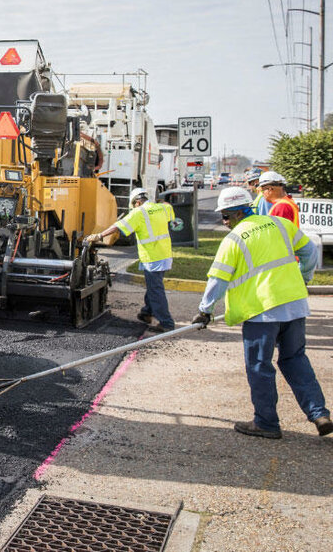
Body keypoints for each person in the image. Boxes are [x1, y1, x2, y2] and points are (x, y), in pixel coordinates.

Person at [195, 186, 330, 439]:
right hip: (294, 305)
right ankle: (319, 413)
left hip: (262, 313)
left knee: (259, 366)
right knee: (295, 359)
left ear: (235, 214)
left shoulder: (233, 240)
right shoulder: (280, 225)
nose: (224, 222)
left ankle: (266, 423)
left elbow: (217, 280)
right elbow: (310, 252)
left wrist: (205, 311)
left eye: (225, 216)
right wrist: (303, 278)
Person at [86, 188, 175, 333]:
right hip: (164, 255)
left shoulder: (138, 212)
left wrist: (99, 235)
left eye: (133, 206)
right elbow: (168, 207)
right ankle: (147, 313)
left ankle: (166, 323)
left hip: (152, 257)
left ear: (137, 202)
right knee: (154, 286)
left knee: (156, 290)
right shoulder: (163, 208)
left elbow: (118, 226)